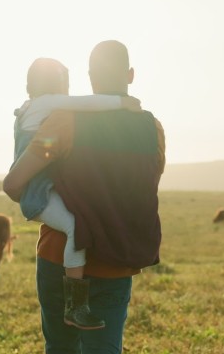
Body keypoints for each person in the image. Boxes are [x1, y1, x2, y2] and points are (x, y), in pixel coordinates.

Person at [3, 40, 165, 354]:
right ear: (129, 76)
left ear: (88, 81)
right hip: (116, 265)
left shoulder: (64, 121)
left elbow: (15, 183)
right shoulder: (152, 129)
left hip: (58, 259)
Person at [12, 57, 141, 330]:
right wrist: (122, 103)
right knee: (76, 226)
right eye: (65, 83)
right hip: (39, 192)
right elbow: (87, 104)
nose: (68, 90)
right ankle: (76, 306)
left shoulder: (30, 107)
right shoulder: (48, 103)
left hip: (41, 188)